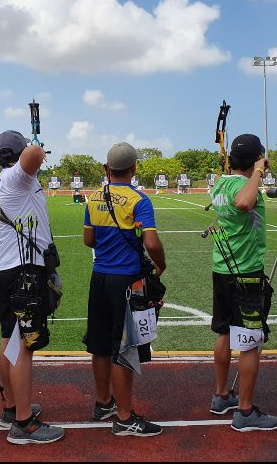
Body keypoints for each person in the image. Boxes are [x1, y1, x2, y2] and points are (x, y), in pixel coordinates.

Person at [83, 142, 166, 437]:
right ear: (133, 169)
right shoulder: (138, 200)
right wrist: (161, 266)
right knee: (124, 348)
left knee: (100, 344)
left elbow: (88, 239)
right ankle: (125, 417)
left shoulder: (93, 197)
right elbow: (152, 243)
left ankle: (104, 403)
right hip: (126, 282)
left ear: (108, 168)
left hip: (100, 277)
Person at [0, 130, 64, 444]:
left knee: (10, 339)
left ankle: (11, 407)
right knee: (25, 346)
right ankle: (24, 424)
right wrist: (35, 142)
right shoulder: (14, 178)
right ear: (17, 155)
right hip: (23, 272)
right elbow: (34, 155)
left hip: (6, 270)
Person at [208, 134, 277, 432]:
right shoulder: (241, 185)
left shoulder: (222, 182)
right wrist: (260, 171)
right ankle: (246, 412)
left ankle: (222, 395)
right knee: (250, 343)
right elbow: (243, 202)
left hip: (222, 268)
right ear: (254, 160)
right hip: (245, 271)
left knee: (224, 332)